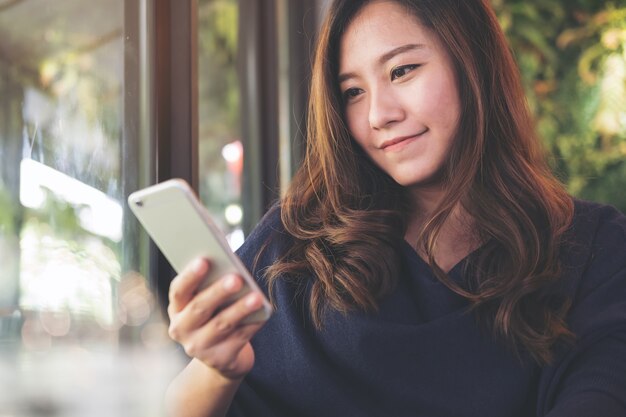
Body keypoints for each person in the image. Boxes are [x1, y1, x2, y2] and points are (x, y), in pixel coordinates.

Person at [164, 0, 626, 416]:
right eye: (353, 92)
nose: (378, 114)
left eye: (402, 71)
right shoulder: (295, 244)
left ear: (473, 63)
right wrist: (217, 370)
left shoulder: (593, 249)